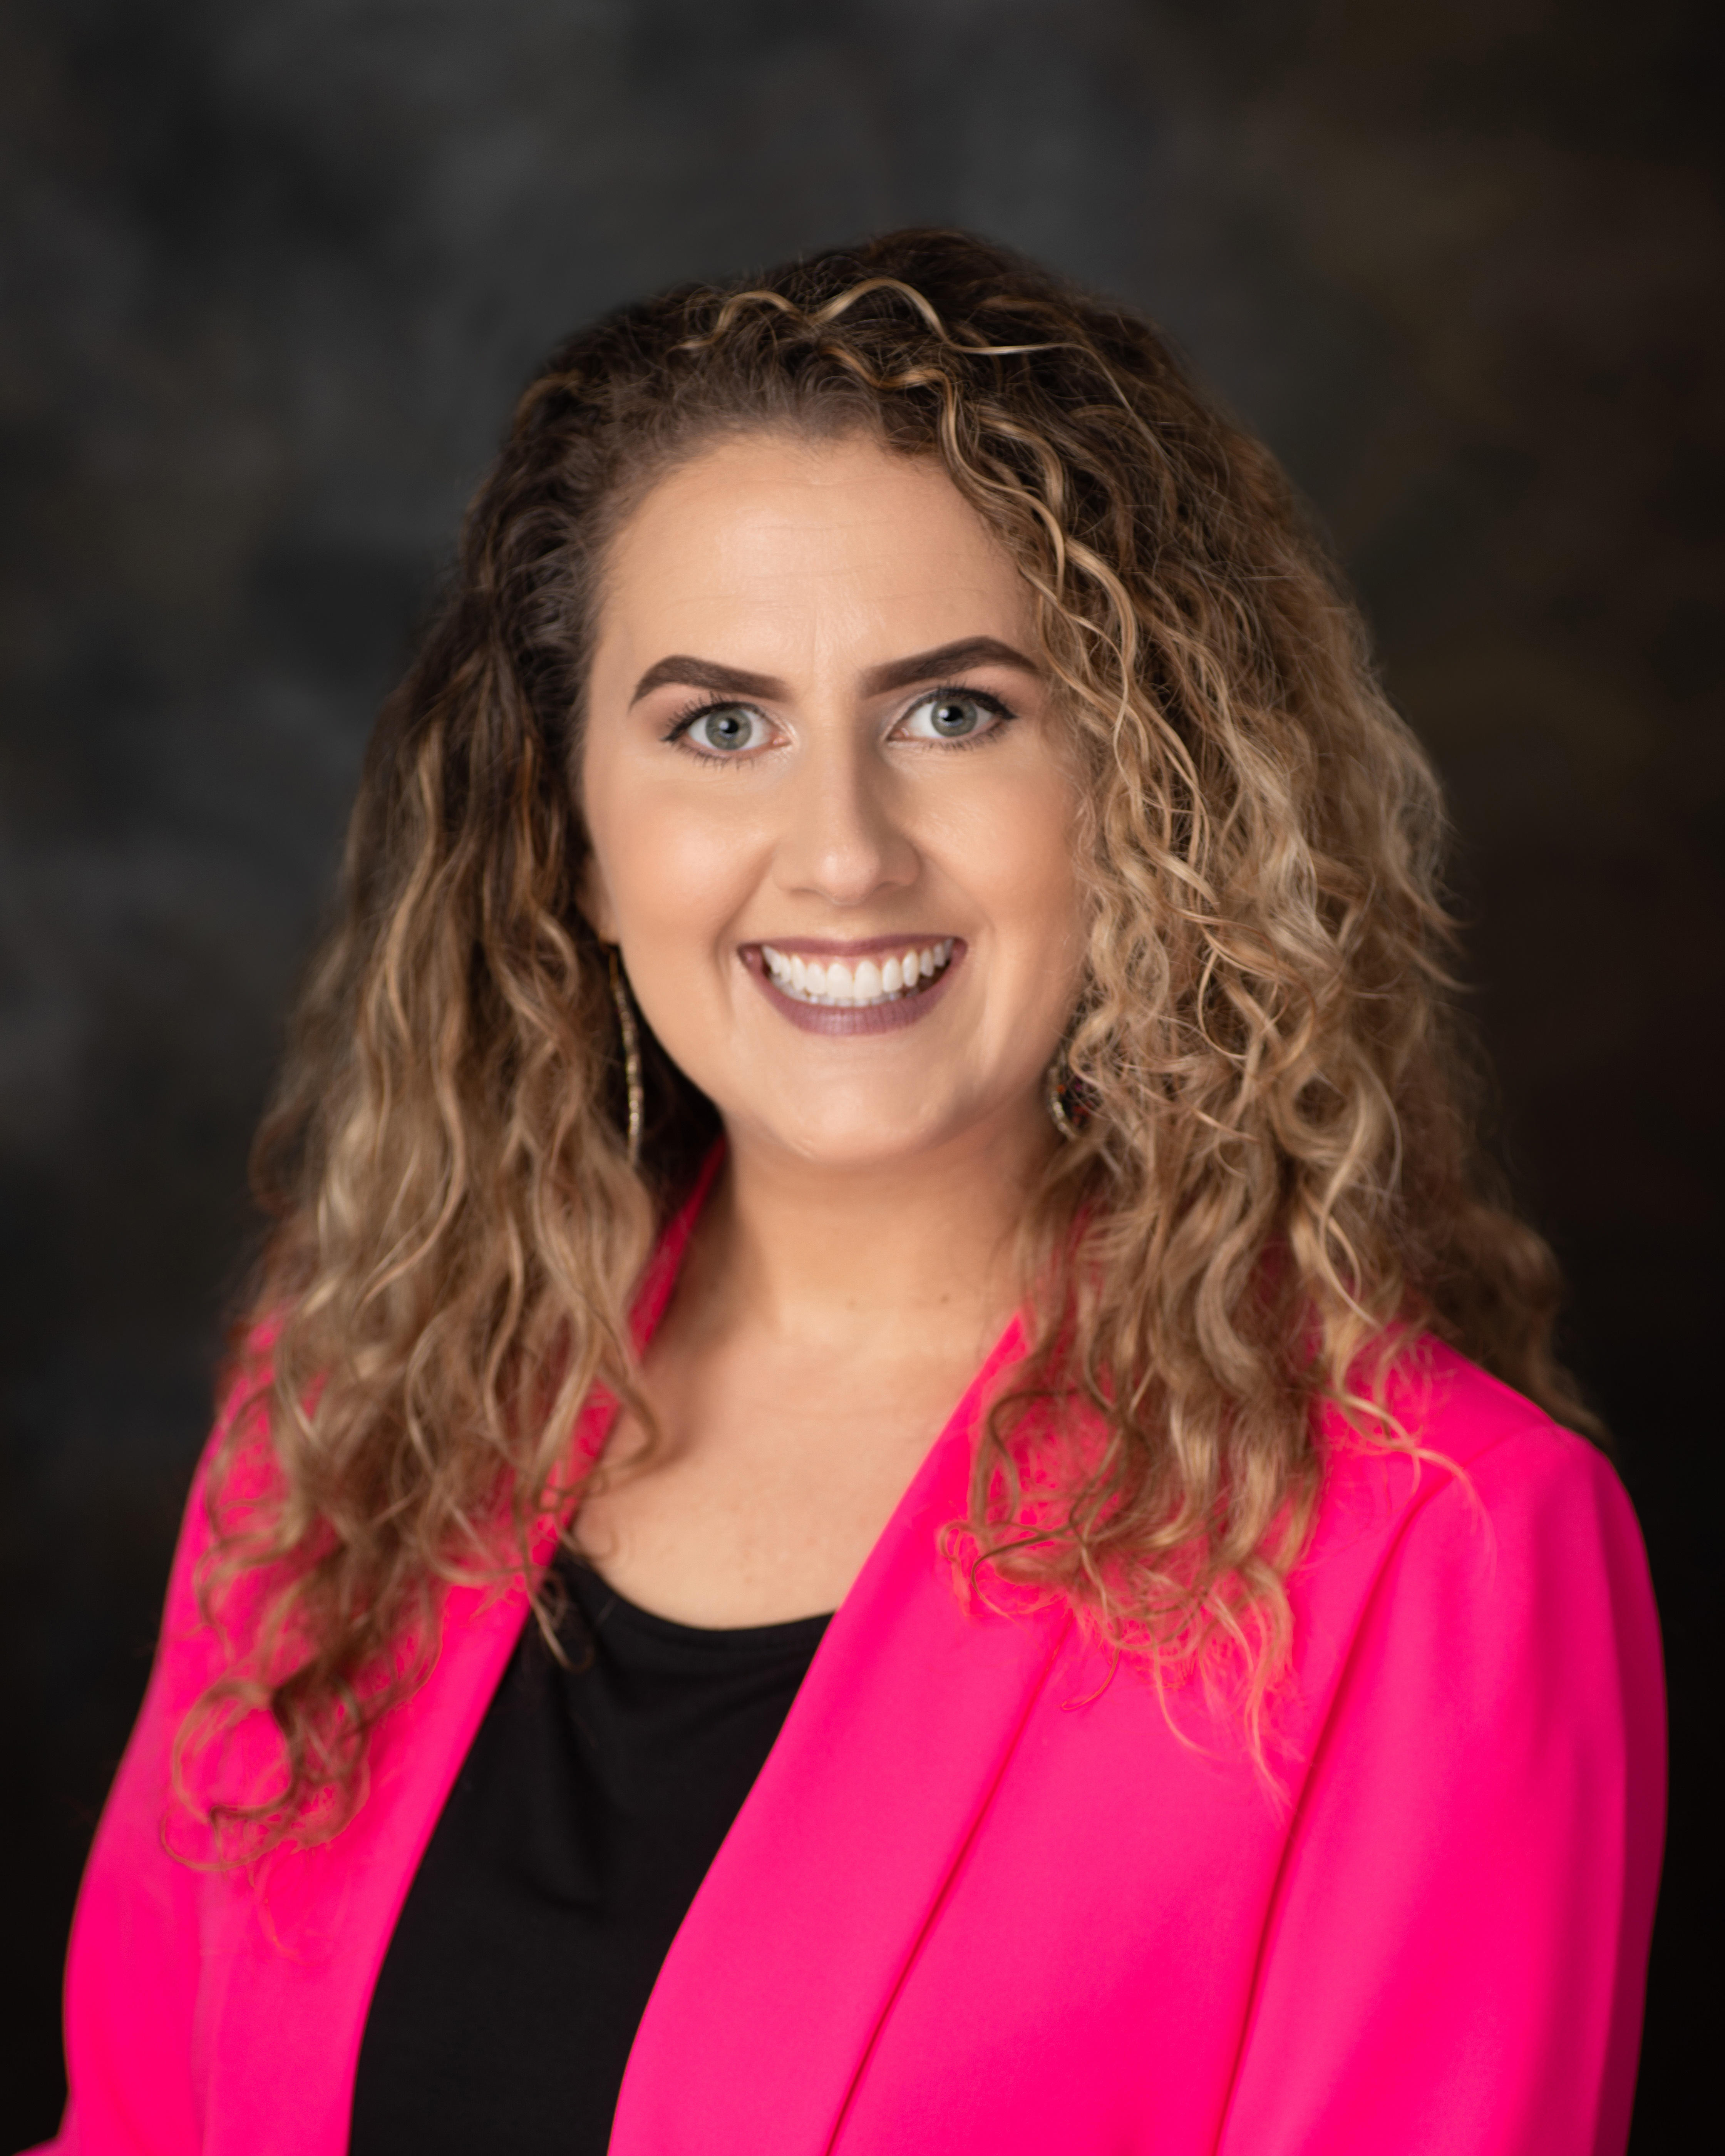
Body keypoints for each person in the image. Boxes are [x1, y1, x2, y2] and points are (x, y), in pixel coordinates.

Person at [41, 230, 1663, 2156]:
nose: (839, 852)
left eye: (954, 712)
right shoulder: (350, 1393)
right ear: (569, 829)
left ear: (1149, 797)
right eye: (718, 724)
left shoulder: (1436, 1553)